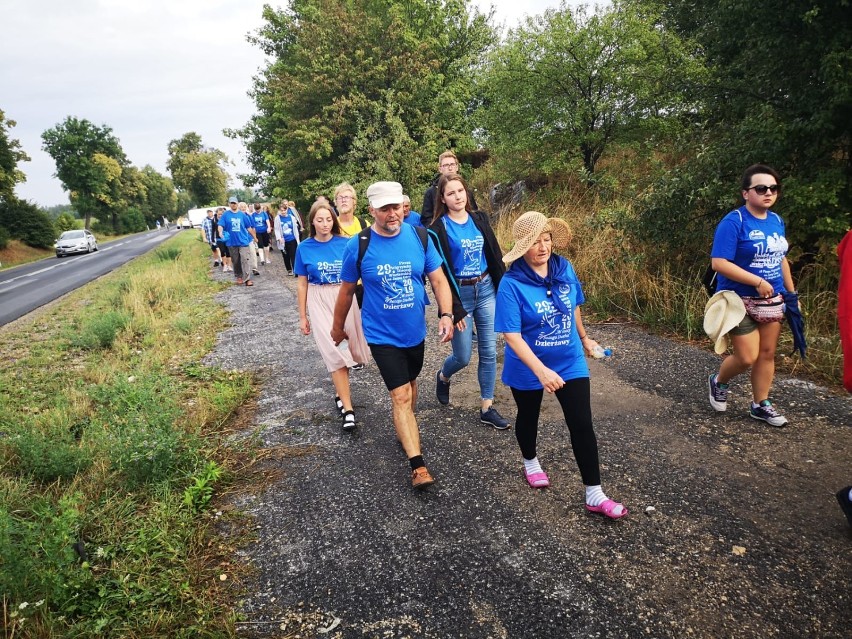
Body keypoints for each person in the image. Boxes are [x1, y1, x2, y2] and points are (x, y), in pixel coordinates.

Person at [494, 211, 627, 519]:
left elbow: (573, 306)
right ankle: (530, 461)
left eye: (547, 239)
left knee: (581, 423)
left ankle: (594, 493)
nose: (543, 248)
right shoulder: (512, 285)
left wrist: (585, 339)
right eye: (534, 242)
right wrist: (540, 371)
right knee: (528, 415)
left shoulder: (564, 267)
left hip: (568, 360)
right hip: (528, 365)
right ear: (521, 247)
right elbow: (511, 336)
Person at [332, 181, 456, 489]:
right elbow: (346, 291)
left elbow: (439, 280)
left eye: (396, 207)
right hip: (380, 333)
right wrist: (337, 327)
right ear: (371, 210)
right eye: (384, 209)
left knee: (411, 386)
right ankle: (418, 465)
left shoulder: (420, 237)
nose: (392, 214)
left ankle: (405, 427)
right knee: (400, 395)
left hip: (414, 331)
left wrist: (446, 314)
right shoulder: (358, 244)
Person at [707, 164, 797, 427]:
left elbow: (781, 259)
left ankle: (761, 404)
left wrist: (791, 294)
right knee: (746, 357)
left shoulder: (776, 221)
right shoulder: (734, 221)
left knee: (766, 353)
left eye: (773, 188)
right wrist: (756, 281)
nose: (768, 192)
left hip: (772, 299)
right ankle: (718, 381)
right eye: (761, 188)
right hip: (738, 300)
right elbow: (719, 262)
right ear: (746, 193)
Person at [428, 173, 510, 430]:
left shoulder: (480, 219)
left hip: (486, 289)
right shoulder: (437, 229)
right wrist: (453, 310)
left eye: (460, 191)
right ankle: (443, 375)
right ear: (442, 198)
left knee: (488, 350)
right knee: (462, 356)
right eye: (451, 193)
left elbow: (495, 254)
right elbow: (440, 275)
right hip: (459, 294)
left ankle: (487, 406)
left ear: (467, 192)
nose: (457, 197)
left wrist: (505, 289)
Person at [295, 200, 370, 431]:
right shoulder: (304, 248)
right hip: (319, 298)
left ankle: (340, 392)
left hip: (343, 296)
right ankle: (348, 410)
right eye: (320, 220)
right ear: (312, 222)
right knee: (333, 352)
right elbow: (301, 284)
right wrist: (303, 316)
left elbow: (363, 272)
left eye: (329, 219)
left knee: (352, 350)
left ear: (334, 220)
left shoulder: (346, 243)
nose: (325, 224)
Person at [420, 150, 479, 227]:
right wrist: (439, 231)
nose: (450, 168)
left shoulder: (466, 190)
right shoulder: (431, 193)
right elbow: (426, 219)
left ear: (457, 167)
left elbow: (474, 212)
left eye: (452, 164)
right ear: (440, 168)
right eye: (446, 165)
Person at [218, 196, 258, 286]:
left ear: (237, 203)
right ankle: (239, 276)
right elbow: (220, 225)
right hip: (231, 242)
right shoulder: (226, 215)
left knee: (245, 259)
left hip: (243, 241)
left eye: (235, 203)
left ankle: (247, 279)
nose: (233, 205)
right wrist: (220, 232)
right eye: (231, 203)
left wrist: (254, 237)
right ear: (229, 204)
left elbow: (248, 227)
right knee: (236, 260)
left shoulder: (242, 215)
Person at [274, 201, 302, 275]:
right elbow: (276, 229)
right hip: (283, 241)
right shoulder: (277, 218)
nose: (283, 212)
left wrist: (297, 240)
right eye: (281, 210)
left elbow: (295, 230)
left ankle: (295, 271)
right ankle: (289, 269)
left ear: (287, 210)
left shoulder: (292, 218)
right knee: (286, 256)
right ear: (279, 211)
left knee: (293, 255)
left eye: (284, 210)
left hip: (292, 239)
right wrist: (279, 238)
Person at [214, 207, 232, 273]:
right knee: (222, 251)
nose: (220, 215)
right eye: (219, 214)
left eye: (222, 214)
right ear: (217, 214)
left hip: (227, 237)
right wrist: (212, 239)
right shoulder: (214, 221)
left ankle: (229, 265)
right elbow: (213, 230)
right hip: (219, 238)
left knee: (228, 251)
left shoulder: (227, 219)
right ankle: (224, 265)